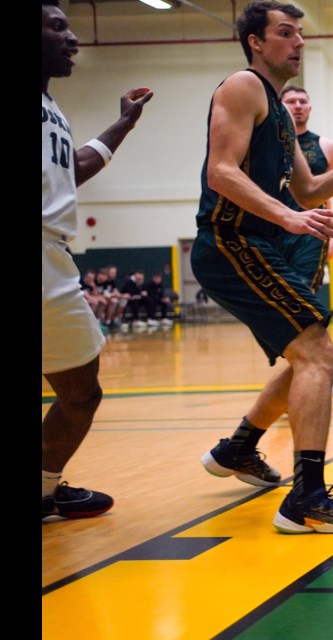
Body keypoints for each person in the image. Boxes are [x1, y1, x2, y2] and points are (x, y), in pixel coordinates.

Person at [191, 1, 333, 533]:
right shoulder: (241, 86)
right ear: (256, 42)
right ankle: (305, 497)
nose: (299, 42)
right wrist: (289, 218)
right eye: (286, 33)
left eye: (301, 34)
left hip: (256, 242)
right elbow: (221, 170)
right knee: (316, 353)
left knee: (310, 352)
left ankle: (242, 451)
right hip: (230, 241)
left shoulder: (280, 112)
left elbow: (309, 189)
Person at [42, 0, 152, 520]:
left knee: (81, 393)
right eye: (58, 27)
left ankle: (43, 489)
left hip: (54, 261)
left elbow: (73, 168)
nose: (73, 39)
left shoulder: (52, 110)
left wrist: (124, 124)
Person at [279, 84, 333, 394]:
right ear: (280, 106)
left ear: (310, 108)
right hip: (276, 229)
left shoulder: (325, 145)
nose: (297, 106)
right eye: (291, 101)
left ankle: (321, 367)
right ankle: (302, 367)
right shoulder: (268, 143)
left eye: (303, 101)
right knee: (283, 306)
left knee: (304, 301)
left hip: (314, 232)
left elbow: (327, 185)